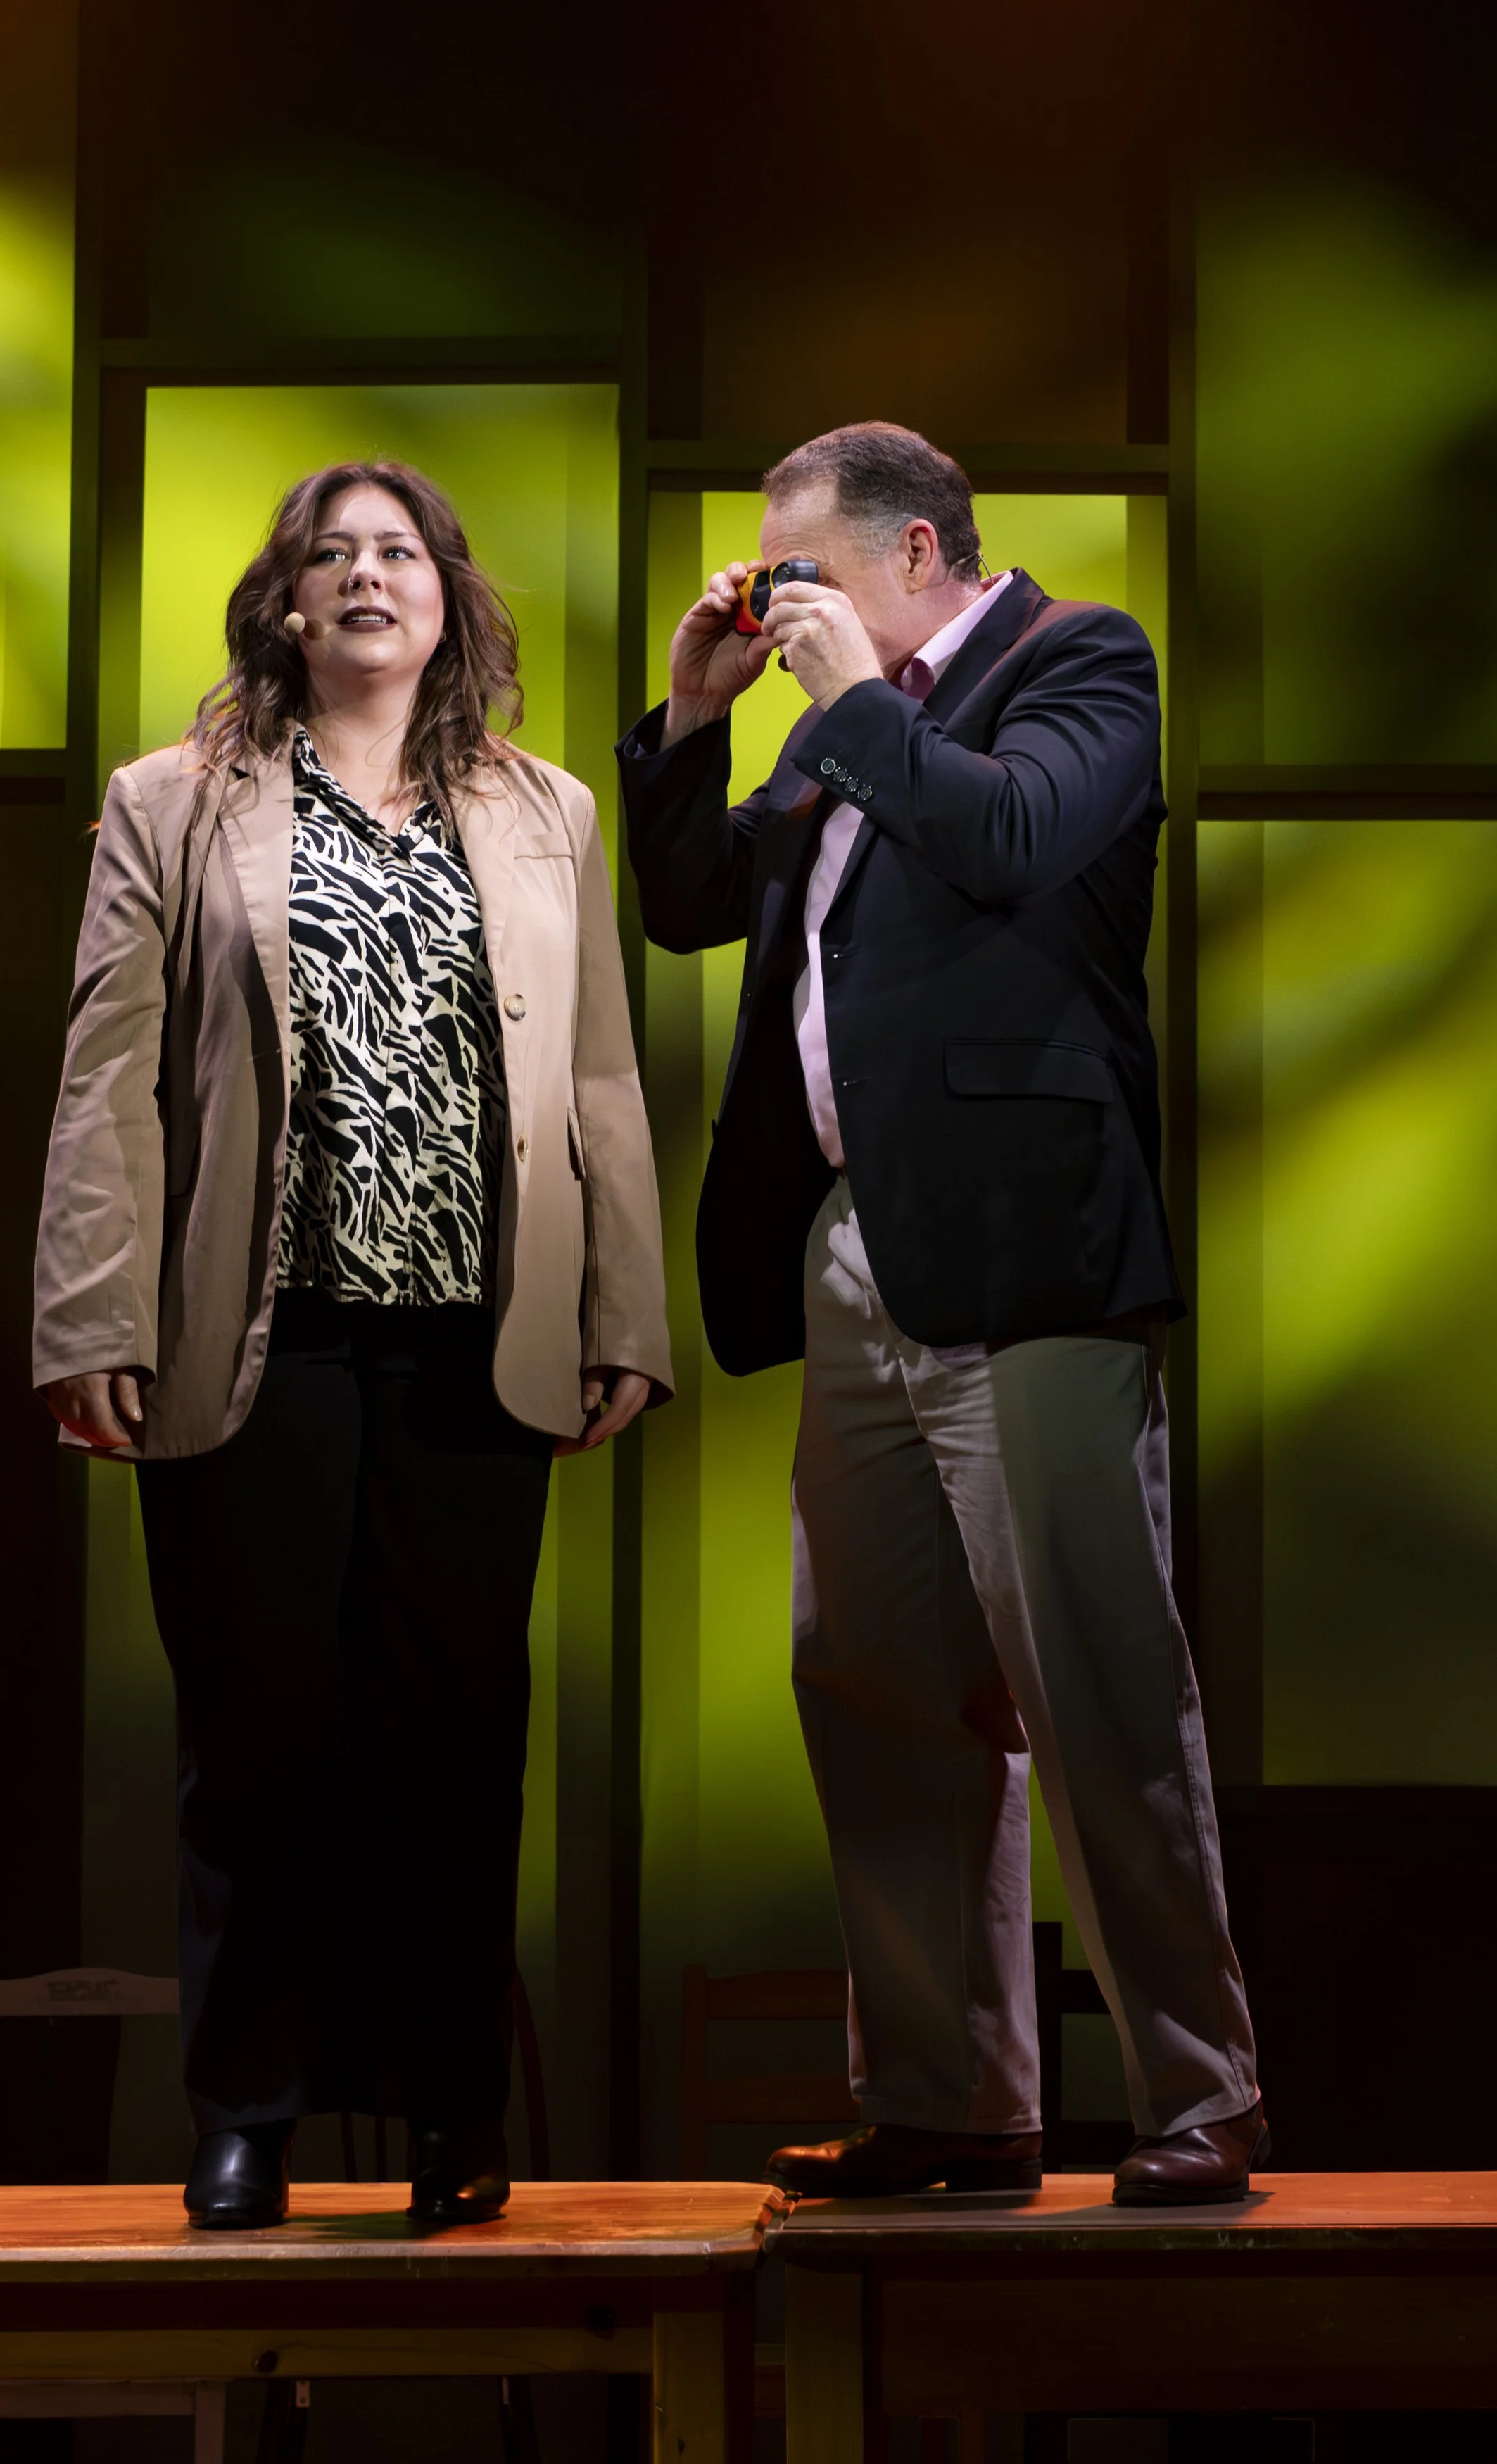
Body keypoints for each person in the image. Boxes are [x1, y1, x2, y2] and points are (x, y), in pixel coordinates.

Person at [617, 422, 1263, 2207]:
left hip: (1026, 1251)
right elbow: (683, 904)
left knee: (1094, 1673)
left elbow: (1016, 839)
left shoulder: (1075, 662)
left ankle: (1198, 2093)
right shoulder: (842, 741)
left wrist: (846, 703)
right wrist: (693, 715)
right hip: (848, 1255)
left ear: (916, 557)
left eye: (800, 573)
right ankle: (948, 2095)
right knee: (878, 1684)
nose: (782, 608)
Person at [34, 460, 671, 2230]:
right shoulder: (172, 801)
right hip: (255, 1337)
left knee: (457, 1743)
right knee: (256, 1740)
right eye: (333, 555)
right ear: (286, 605)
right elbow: (108, 1075)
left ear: (448, 597)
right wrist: (90, 1313)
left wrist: (627, 1306)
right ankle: (245, 2110)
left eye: (398, 552)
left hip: (478, 1344)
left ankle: (452, 2111)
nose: (367, 577)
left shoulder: (545, 811)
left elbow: (599, 1072)